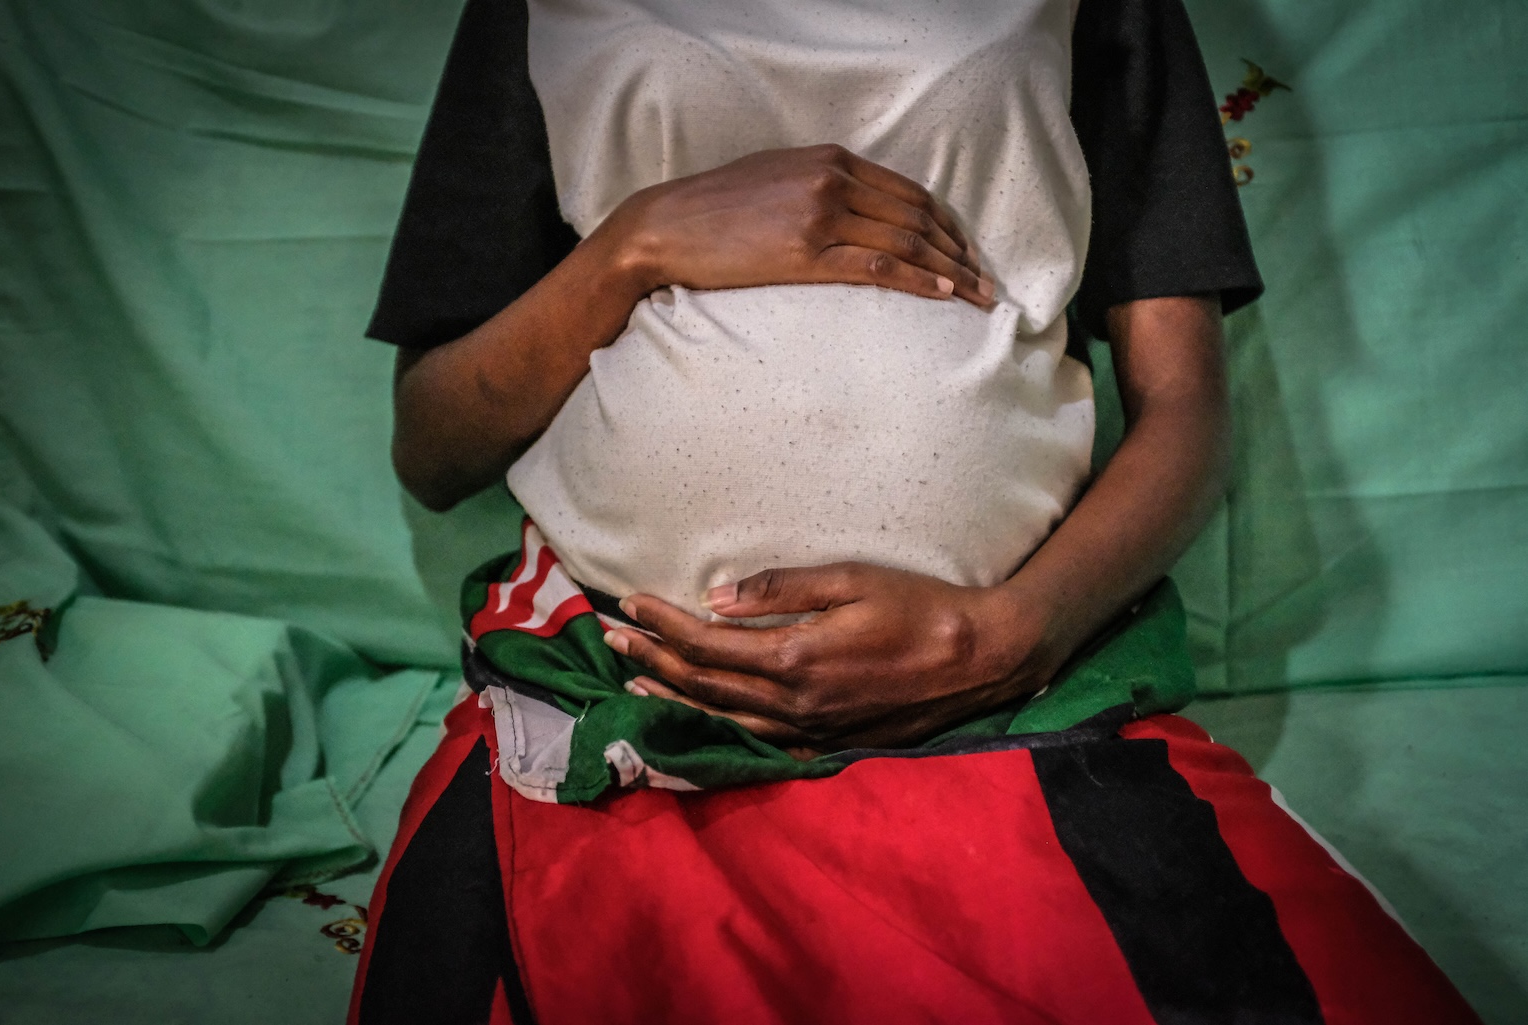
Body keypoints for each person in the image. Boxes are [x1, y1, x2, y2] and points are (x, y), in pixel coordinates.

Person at [348, 0, 1483, 1021]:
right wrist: (638, 242)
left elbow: (1184, 409)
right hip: (628, 686)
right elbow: (434, 444)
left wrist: (1008, 632)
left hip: (1025, 689)